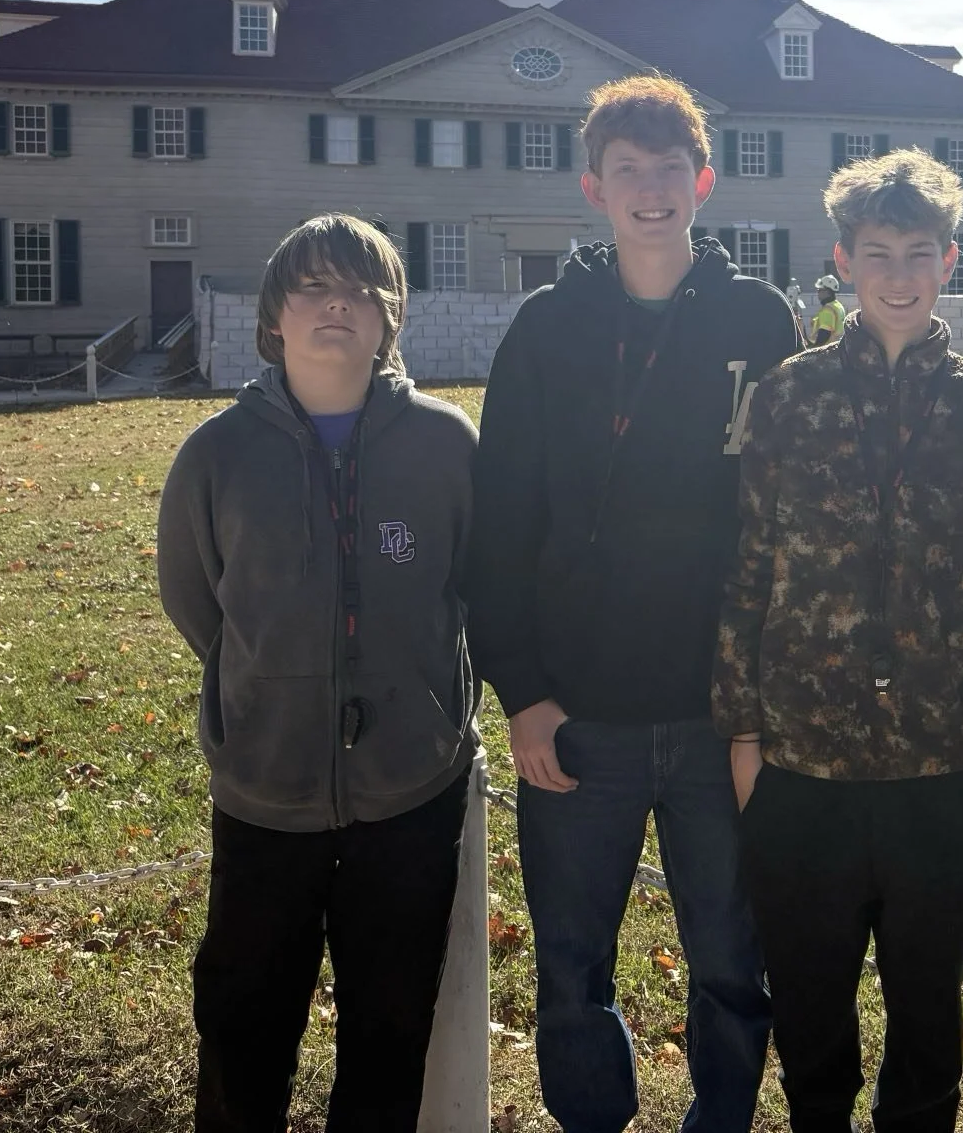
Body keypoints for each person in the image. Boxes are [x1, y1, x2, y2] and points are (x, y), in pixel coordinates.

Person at [465, 76, 799, 1133]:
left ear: (701, 181)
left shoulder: (757, 318)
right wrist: (521, 693)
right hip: (580, 719)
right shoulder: (547, 328)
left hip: (718, 717)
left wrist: (763, 710)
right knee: (569, 971)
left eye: (668, 170)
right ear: (593, 189)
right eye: (627, 172)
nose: (649, 189)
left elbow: (788, 520)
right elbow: (499, 524)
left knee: (732, 967)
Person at [715, 148, 963, 1133]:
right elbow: (749, 564)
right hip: (802, 764)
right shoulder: (788, 395)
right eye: (878, 253)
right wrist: (742, 735)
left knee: (926, 1019)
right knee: (810, 1018)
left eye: (919, 253)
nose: (898, 274)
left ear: (948, 260)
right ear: (843, 261)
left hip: (939, 770)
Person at [157, 213, 482, 1132]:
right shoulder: (216, 455)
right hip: (267, 790)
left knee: (388, 1030)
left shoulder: (446, 445)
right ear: (274, 318)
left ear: (390, 319)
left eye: (361, 289)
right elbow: (197, 600)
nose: (337, 304)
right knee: (243, 1023)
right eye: (313, 287)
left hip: (411, 792)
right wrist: (268, 693)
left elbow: (472, 585)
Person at [808, 274, 846, 347]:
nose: (818, 292)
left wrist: (814, 349)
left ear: (827, 291)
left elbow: (824, 334)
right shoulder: (838, 306)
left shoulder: (827, 310)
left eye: (819, 290)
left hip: (826, 351)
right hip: (836, 349)